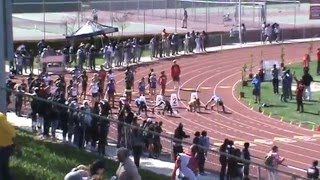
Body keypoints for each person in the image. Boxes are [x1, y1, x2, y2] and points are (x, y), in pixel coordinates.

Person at [0, 113, 16, 180]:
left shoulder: (1, 118)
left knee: (3, 167)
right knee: (4, 167)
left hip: (4, 147)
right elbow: (13, 133)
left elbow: (12, 133)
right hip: (5, 147)